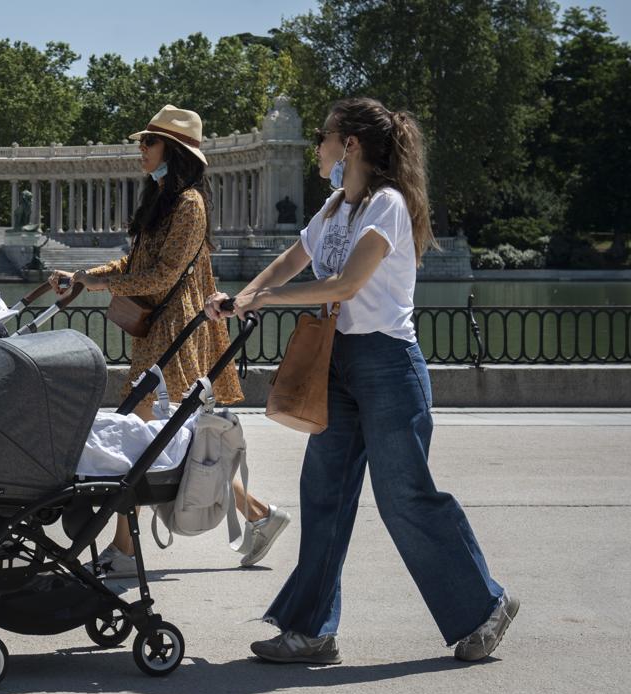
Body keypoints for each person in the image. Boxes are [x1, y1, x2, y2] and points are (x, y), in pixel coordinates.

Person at [206, 97, 517, 664]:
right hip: (339, 364)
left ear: (348, 145)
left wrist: (265, 300)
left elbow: (347, 285)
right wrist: (241, 298)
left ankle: (485, 607)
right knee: (323, 495)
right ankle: (311, 632)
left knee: (405, 499)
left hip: (387, 366)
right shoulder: (333, 208)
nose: (317, 147)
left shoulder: (388, 206)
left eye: (324, 137)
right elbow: (291, 259)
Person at [49, 105, 291, 577]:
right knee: (162, 440)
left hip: (178, 332)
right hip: (158, 331)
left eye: (149, 142)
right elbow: (131, 266)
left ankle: (125, 549)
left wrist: (99, 285)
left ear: (173, 151)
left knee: (148, 442)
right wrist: (83, 277)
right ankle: (259, 516)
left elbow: (162, 276)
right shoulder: (161, 198)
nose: (140, 148)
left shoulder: (189, 205)